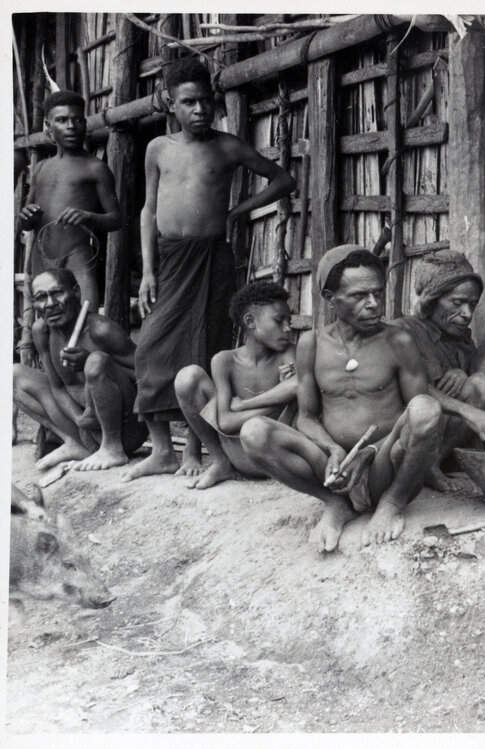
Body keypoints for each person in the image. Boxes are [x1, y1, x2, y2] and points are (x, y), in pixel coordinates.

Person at [125, 56, 295, 482]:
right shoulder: (158, 148)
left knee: (205, 346)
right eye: (189, 102)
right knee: (150, 348)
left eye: (205, 101)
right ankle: (162, 450)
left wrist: (239, 210)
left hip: (213, 257)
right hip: (170, 258)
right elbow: (148, 210)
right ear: (170, 103)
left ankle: (196, 449)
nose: (200, 110)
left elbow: (282, 180)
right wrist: (148, 272)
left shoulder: (228, 146)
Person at [240, 246, 442, 552]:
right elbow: (306, 416)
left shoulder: (398, 341)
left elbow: (418, 419)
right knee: (254, 432)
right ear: (330, 298)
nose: (373, 304)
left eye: (378, 293)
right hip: (331, 468)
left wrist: (370, 452)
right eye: (360, 296)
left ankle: (391, 504)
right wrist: (332, 449)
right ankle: (335, 505)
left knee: (427, 409)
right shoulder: (311, 344)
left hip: (382, 466)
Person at [12, 268, 146, 472]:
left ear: (75, 292)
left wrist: (92, 364)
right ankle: (74, 443)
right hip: (85, 427)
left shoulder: (100, 329)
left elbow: (147, 377)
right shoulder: (43, 331)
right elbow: (57, 388)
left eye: (57, 293)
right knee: (13, 375)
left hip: (125, 430)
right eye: (41, 297)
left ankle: (112, 450)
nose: (50, 303)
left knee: (96, 361)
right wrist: (80, 420)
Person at [391, 250, 485, 491]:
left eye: (472, 305)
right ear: (432, 300)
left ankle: (444, 461)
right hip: (405, 436)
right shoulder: (403, 330)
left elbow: (474, 387)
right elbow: (415, 389)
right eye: (457, 303)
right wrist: (468, 411)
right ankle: (425, 467)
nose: (467, 314)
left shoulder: (461, 338)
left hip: (443, 436)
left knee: (483, 381)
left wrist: (463, 375)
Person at [173, 281, 297, 490]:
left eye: (289, 321)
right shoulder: (225, 361)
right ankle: (221, 463)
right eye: (279, 320)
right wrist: (280, 399)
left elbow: (295, 387)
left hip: (276, 457)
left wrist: (242, 406)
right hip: (237, 455)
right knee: (188, 377)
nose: (288, 328)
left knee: (300, 388)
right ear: (250, 321)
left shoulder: (288, 353)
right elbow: (226, 422)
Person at [17, 90, 122, 310]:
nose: (71, 126)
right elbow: (25, 223)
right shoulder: (41, 168)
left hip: (77, 256)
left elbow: (116, 219)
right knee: (47, 319)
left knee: (86, 317)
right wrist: (26, 217)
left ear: (85, 123)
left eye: (77, 120)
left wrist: (88, 216)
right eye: (62, 120)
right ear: (48, 126)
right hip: (42, 257)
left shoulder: (95, 168)